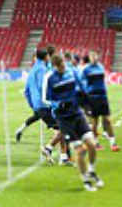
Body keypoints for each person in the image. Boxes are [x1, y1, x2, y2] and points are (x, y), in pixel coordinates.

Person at [42, 53, 104, 191]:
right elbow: (46, 99)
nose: (63, 67)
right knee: (80, 150)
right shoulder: (50, 78)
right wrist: (59, 103)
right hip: (64, 118)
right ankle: (86, 180)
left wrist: (87, 103)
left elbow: (82, 88)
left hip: (77, 113)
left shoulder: (72, 72)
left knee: (92, 144)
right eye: (60, 66)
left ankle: (92, 171)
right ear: (54, 67)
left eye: (63, 64)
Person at [82, 51, 118, 151]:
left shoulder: (100, 67)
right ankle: (96, 143)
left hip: (103, 97)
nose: (94, 58)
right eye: (92, 56)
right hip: (92, 97)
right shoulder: (86, 69)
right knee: (94, 122)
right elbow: (82, 83)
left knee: (108, 120)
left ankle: (113, 143)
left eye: (95, 56)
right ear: (89, 58)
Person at [14, 48, 51, 142]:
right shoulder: (42, 69)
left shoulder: (32, 70)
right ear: (46, 57)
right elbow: (42, 86)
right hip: (44, 104)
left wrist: (31, 104)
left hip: (36, 104)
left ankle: (20, 130)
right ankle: (53, 149)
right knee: (61, 127)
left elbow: (26, 91)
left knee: (36, 117)